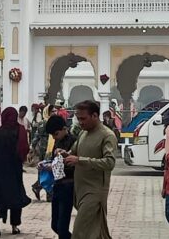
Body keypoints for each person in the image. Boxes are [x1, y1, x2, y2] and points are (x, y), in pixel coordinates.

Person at [63, 100, 116, 239]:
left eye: (83, 118)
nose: (80, 122)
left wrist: (80, 161)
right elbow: (74, 152)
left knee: (79, 232)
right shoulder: (82, 134)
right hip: (80, 190)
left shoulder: (107, 135)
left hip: (95, 191)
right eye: (78, 119)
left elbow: (109, 162)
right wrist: (65, 154)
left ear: (94, 115)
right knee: (97, 232)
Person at [0, 106, 30, 236]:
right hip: (15, 169)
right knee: (16, 196)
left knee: (1, 194)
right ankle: (14, 226)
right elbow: (25, 148)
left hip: (1, 169)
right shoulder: (20, 130)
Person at [45, 115, 75, 239]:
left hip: (68, 185)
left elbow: (73, 164)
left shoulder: (73, 142)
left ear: (64, 129)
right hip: (57, 185)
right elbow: (55, 161)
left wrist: (57, 165)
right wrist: (48, 165)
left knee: (62, 227)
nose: (54, 137)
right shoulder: (58, 141)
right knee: (55, 225)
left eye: (56, 134)